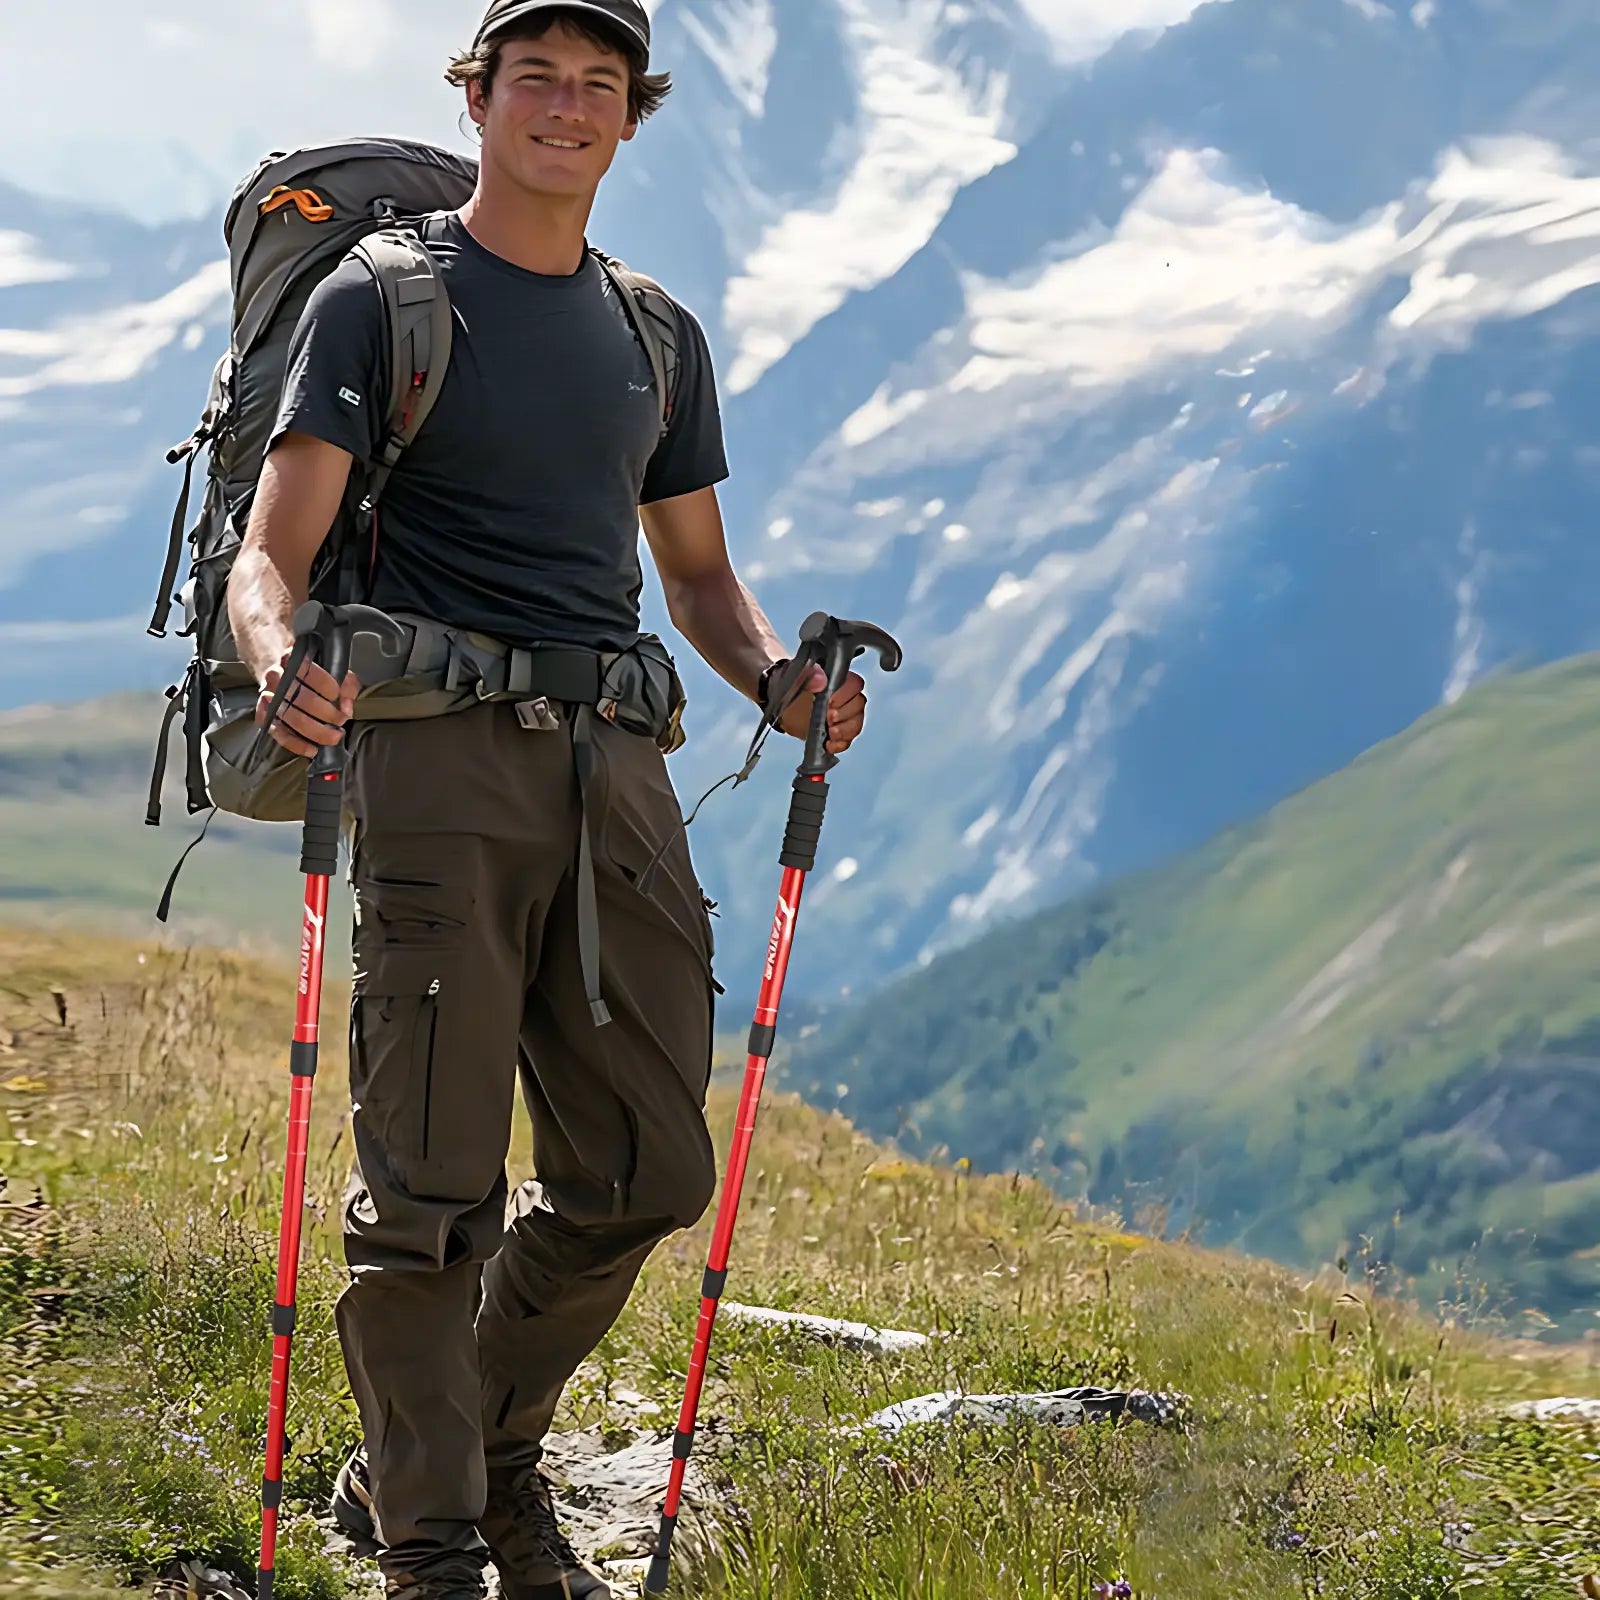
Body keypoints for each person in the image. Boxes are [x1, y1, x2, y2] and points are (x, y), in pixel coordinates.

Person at [226, 3, 868, 1596]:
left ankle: (469, 1462)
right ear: (480, 97)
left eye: (599, 85)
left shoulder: (655, 333)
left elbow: (699, 576)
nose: (567, 108)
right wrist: (281, 664)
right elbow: (270, 552)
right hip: (435, 763)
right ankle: (440, 1545)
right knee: (428, 1196)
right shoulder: (385, 301)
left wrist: (779, 684)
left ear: (632, 116)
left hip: (617, 773)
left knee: (647, 1172)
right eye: (537, 78)